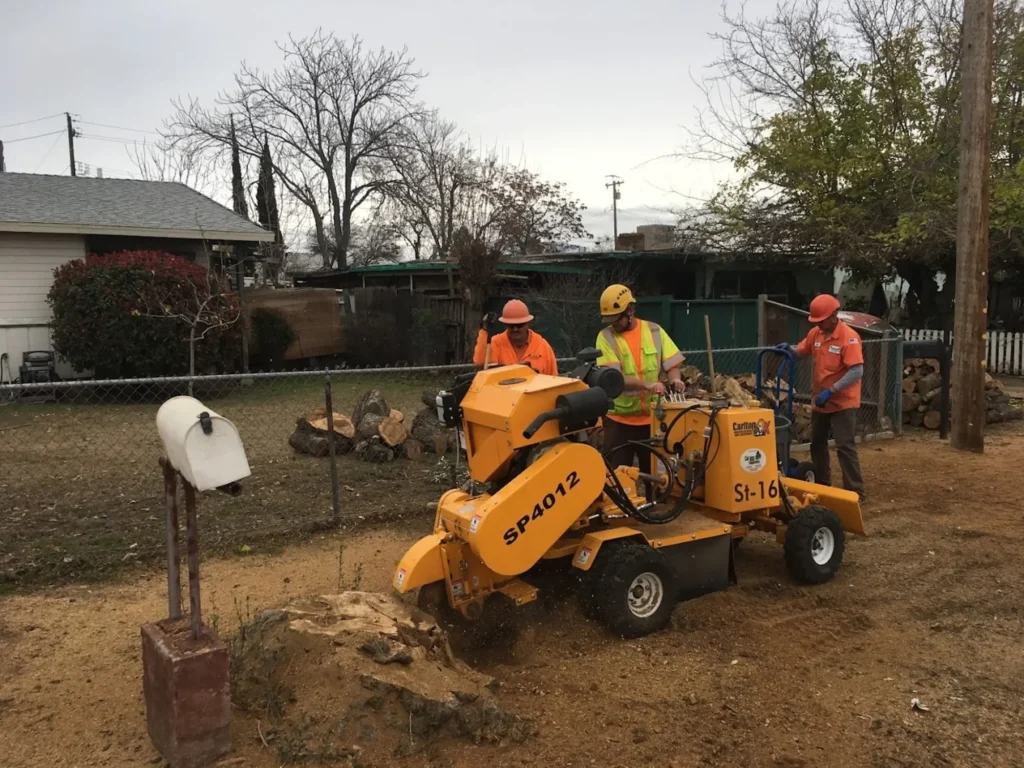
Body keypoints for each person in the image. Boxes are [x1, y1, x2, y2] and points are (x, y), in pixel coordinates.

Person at [777, 294, 865, 500]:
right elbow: (801, 351)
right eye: (816, 321)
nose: (818, 324)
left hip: (842, 401)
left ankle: (855, 491)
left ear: (834, 316)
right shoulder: (816, 334)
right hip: (821, 400)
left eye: (821, 320)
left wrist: (832, 390)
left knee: (844, 445)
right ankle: (823, 484)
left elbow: (856, 371)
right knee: (817, 442)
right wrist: (788, 349)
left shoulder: (848, 337)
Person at [595, 284, 685, 471]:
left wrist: (675, 379)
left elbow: (672, 364)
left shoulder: (654, 331)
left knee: (657, 476)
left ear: (630, 310)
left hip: (652, 421)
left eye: (617, 318)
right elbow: (614, 379)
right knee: (619, 479)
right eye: (610, 320)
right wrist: (648, 385)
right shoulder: (605, 338)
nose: (614, 324)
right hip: (619, 421)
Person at [472, 299, 558, 376]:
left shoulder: (542, 346)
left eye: (519, 325)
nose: (515, 329)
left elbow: (554, 378)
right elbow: (481, 363)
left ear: (528, 323)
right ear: (505, 325)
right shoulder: (496, 342)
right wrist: (484, 331)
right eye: (511, 326)